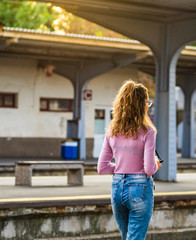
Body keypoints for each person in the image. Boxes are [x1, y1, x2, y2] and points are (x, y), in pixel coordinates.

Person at [97, 80, 162, 240]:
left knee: (127, 236)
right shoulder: (148, 131)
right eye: (147, 102)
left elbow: (102, 168)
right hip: (140, 189)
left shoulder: (112, 130)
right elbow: (148, 169)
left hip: (117, 188)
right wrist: (157, 164)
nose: (149, 106)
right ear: (142, 105)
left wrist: (121, 168)